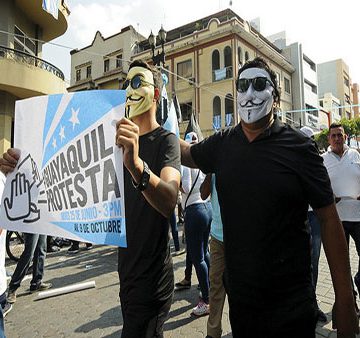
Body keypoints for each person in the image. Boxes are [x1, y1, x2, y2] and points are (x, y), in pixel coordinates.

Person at [179, 57, 358, 338]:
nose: (249, 94)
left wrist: (344, 300)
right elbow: (187, 153)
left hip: (292, 307)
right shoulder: (223, 143)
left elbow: (328, 218)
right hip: (243, 307)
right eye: (242, 86)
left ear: (274, 97)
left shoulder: (299, 146)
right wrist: (149, 125)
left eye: (259, 84)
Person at [116, 60, 181, 337]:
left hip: (153, 283)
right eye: (125, 85)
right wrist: (17, 167)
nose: (129, 91)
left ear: (155, 94)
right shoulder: (114, 141)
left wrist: (136, 165)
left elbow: (168, 199)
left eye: (136, 82)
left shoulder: (167, 141)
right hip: (127, 278)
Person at [322, 122, 360, 310]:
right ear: (329, 139)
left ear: (345, 137)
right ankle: (350, 301)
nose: (337, 138)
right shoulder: (322, 160)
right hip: (336, 220)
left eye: (340, 135)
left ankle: (359, 280)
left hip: (358, 216)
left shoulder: (355, 154)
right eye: (333, 135)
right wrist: (329, 197)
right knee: (342, 264)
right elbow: (319, 186)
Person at [179, 132, 212, 316]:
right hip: (207, 208)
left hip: (194, 210)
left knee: (198, 257)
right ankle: (211, 288)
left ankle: (206, 300)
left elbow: (185, 185)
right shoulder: (203, 158)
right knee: (205, 252)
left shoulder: (185, 162)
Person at [300, 126, 327, 323]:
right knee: (300, 262)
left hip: (315, 219)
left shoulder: (319, 163)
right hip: (297, 219)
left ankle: (312, 304)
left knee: (314, 262)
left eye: (310, 140)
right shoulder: (290, 161)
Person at [200, 174, 226, 338]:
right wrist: (209, 172)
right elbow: (203, 194)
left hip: (240, 237)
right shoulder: (214, 165)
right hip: (217, 236)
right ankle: (213, 332)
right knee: (216, 285)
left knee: (240, 287)